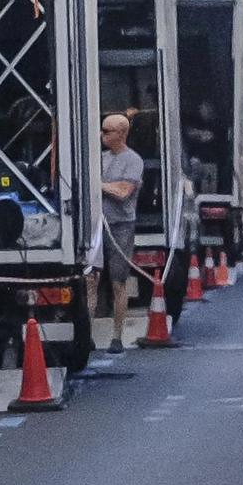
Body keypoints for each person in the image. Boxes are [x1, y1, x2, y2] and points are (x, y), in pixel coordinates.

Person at [98, 112, 145, 354]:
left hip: (120, 226)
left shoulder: (133, 161)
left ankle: (117, 336)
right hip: (97, 225)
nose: (102, 135)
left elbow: (123, 191)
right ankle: (87, 335)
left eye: (107, 132)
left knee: (118, 281)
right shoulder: (99, 159)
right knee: (90, 279)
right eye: (102, 130)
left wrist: (98, 185)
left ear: (122, 133)